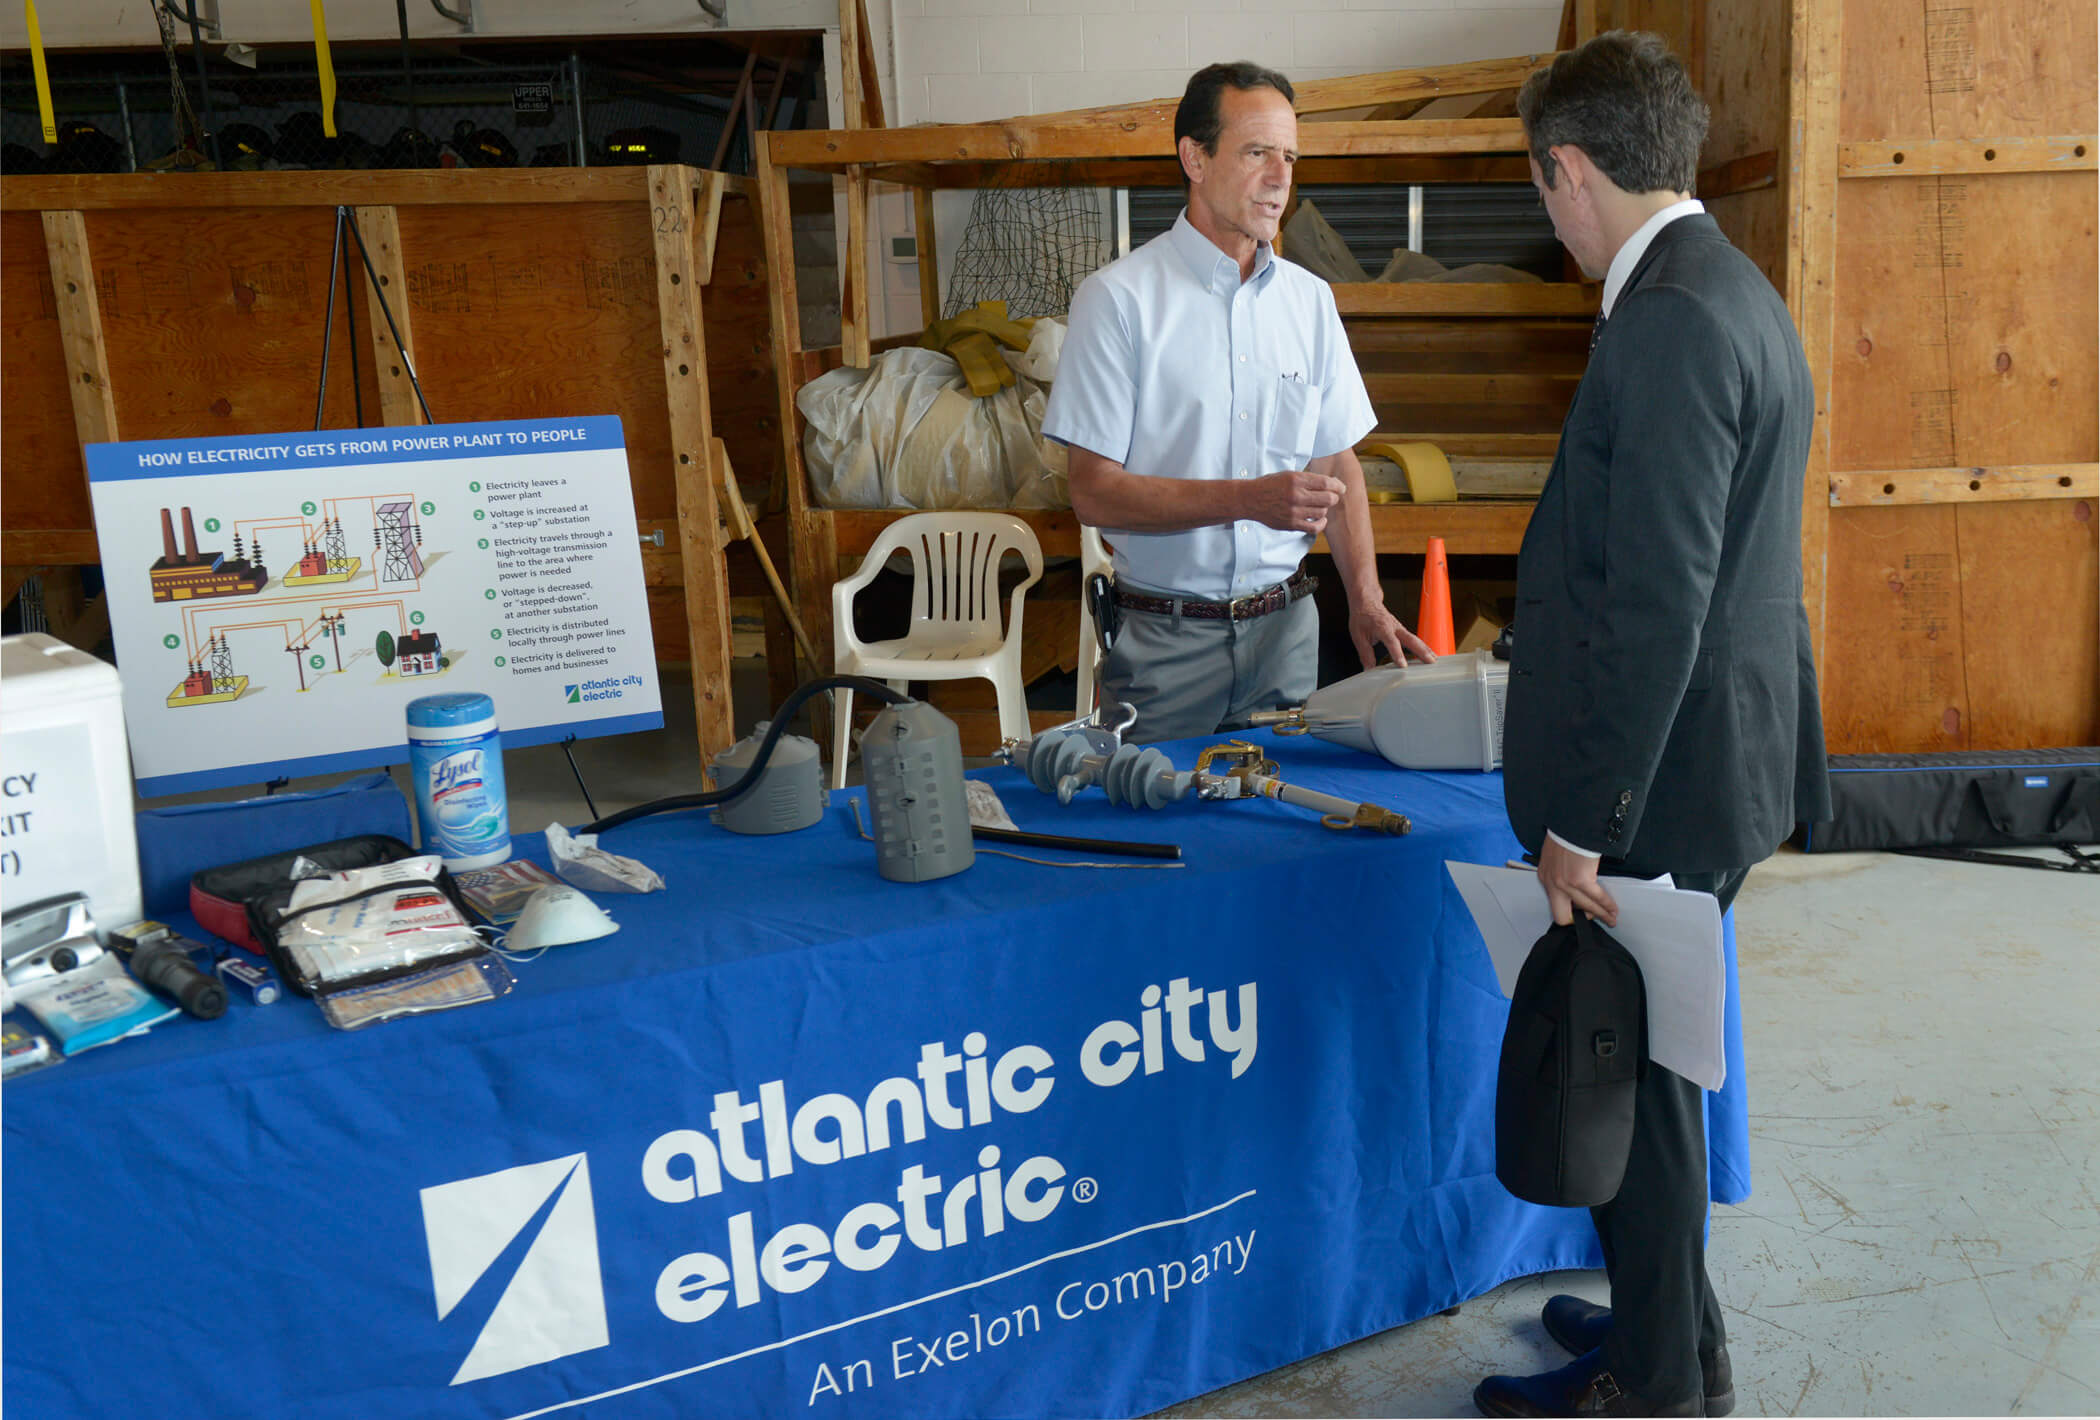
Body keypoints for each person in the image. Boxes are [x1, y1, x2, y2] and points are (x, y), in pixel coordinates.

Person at [1478, 31, 1831, 1420]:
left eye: (1541, 189)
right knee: (1659, 1070)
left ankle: (1656, 1383)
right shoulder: (1729, 284)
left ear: (1571, 169)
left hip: (1660, 787)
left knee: (1646, 1082)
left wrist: (1583, 825)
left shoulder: (1672, 317)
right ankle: (1670, 1328)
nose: (1549, 219)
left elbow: (1661, 608)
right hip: (1712, 763)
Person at [1043, 61, 1434, 743]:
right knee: (1158, 824)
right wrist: (1247, 499)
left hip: (1287, 635)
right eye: (1257, 153)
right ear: (1195, 157)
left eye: (1289, 156)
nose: (1280, 177)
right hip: (1167, 642)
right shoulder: (1118, 301)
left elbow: (1336, 466)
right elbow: (1094, 494)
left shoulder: (1309, 304)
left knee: (1277, 826)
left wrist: (1366, 599)